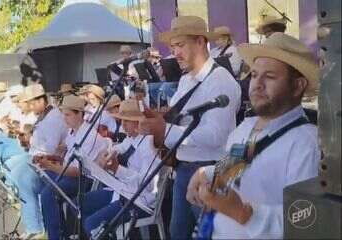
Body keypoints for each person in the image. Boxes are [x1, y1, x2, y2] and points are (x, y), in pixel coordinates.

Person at [186, 32, 320, 239]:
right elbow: (237, 169)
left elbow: (306, 222)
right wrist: (208, 172)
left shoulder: (307, 145)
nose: (257, 84)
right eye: (255, 75)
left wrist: (243, 213)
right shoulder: (246, 128)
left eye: (270, 76)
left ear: (297, 86)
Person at [138, 16, 242, 239]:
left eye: (181, 45)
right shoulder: (186, 81)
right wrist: (156, 120)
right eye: (173, 46)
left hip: (210, 174)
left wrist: (162, 130)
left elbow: (216, 135)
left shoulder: (220, 81)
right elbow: (177, 118)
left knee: (209, 235)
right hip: (184, 169)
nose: (175, 53)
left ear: (200, 42)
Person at [82, 99, 161, 236]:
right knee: (80, 204)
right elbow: (121, 147)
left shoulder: (149, 145)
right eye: (122, 120)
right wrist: (107, 153)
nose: (123, 125)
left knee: (91, 224)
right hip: (124, 191)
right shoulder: (132, 138)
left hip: (140, 200)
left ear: (138, 122)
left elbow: (147, 185)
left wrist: (117, 169)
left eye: (127, 121)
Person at [38, 95, 109, 240]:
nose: (65, 119)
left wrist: (50, 166)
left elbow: (77, 171)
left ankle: (56, 236)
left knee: (48, 194)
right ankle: (61, 231)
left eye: (68, 115)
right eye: (63, 115)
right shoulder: (73, 132)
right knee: (42, 181)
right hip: (71, 174)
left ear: (80, 114)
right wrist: (51, 159)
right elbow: (68, 160)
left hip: (85, 179)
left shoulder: (89, 136)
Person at [11, 83, 68, 239]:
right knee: (16, 173)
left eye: (31, 104)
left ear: (39, 101)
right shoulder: (45, 116)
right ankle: (33, 222)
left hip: (50, 163)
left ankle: (35, 225)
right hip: (38, 159)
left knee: (23, 180)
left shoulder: (53, 118)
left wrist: (37, 155)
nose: (30, 107)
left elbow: (51, 149)